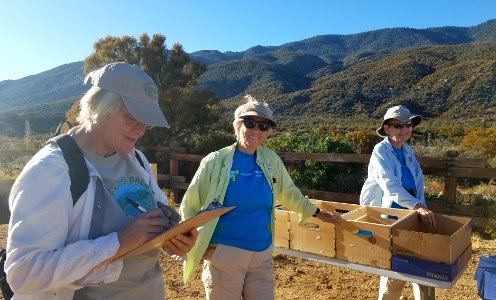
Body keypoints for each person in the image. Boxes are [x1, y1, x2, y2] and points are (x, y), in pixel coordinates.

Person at [5, 62, 198, 299]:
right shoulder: (51, 168)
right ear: (98, 107)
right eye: (132, 118)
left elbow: (155, 219)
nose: (141, 129)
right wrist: (116, 243)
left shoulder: (136, 158)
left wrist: (175, 240)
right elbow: (24, 273)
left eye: (145, 121)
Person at [179, 94, 342, 300]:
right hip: (224, 253)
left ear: (268, 132)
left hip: (261, 252)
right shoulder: (215, 161)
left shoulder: (270, 159)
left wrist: (317, 213)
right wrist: (194, 245)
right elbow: (190, 205)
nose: (256, 130)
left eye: (263, 126)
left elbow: (289, 193)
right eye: (250, 123)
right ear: (237, 126)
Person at [360, 105, 436, 300]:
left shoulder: (407, 150)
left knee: (420, 262)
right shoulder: (380, 151)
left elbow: (417, 183)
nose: (405, 129)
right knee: (396, 266)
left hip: (411, 212)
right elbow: (390, 186)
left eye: (408, 124)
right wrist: (418, 207)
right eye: (398, 126)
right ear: (387, 129)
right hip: (391, 214)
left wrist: (422, 207)